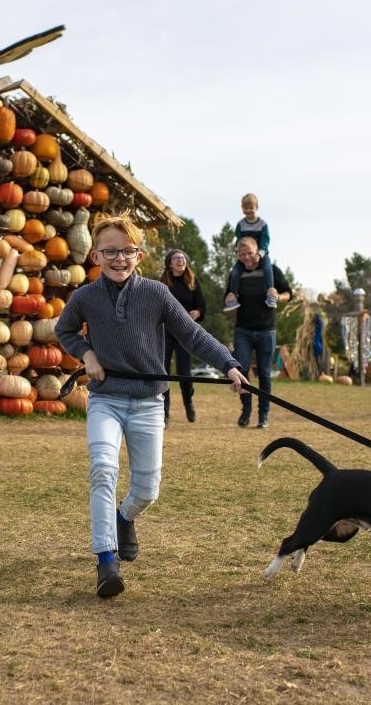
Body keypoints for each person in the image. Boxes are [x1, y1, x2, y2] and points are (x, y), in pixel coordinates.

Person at [55, 213, 248, 599]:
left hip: (147, 402)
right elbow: (65, 330)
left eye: (126, 251)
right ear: (95, 255)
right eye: (110, 251)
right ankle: (105, 559)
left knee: (147, 490)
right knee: (103, 469)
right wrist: (87, 354)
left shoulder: (157, 294)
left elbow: (192, 335)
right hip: (106, 398)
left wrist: (228, 364)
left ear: (139, 256)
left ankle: (125, 518)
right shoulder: (85, 298)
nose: (118, 258)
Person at [224, 236, 292, 429]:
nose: (246, 258)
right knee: (241, 370)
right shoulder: (236, 274)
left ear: (258, 252)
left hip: (266, 330)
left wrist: (278, 296)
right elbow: (228, 299)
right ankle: (246, 411)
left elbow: (289, 294)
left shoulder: (272, 271)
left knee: (264, 373)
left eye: (250, 253)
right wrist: (228, 296)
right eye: (242, 254)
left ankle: (263, 416)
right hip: (243, 330)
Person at [160, 248, 206, 426]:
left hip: (185, 332)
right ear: (169, 264)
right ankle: (164, 412)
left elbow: (201, 306)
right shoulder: (163, 283)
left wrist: (197, 312)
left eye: (183, 258)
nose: (181, 260)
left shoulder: (192, 282)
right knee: (162, 372)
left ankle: (188, 402)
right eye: (176, 258)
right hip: (165, 332)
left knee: (184, 373)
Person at [223, 193, 276, 312]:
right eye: (245, 208)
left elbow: (265, 241)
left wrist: (260, 254)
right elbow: (238, 239)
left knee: (268, 269)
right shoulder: (241, 224)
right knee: (235, 272)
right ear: (242, 208)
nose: (248, 210)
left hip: (260, 253)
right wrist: (237, 250)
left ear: (257, 207)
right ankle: (233, 298)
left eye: (251, 208)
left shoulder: (262, 224)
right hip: (245, 254)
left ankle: (270, 295)